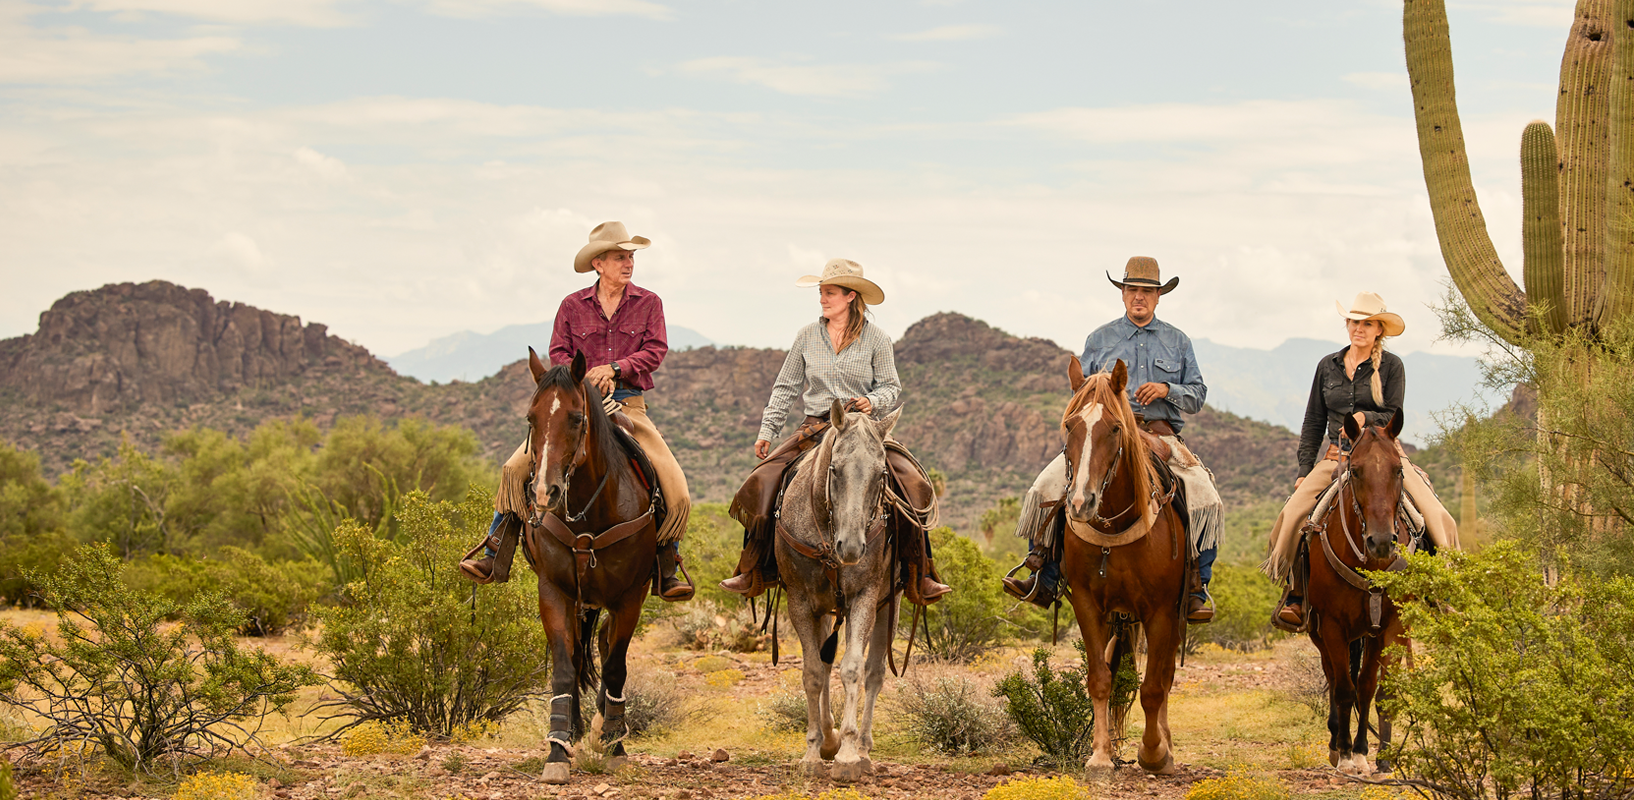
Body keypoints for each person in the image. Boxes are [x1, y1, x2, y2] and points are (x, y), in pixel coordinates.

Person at [458, 221, 695, 601]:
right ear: (598, 263)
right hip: (574, 404)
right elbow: (558, 353)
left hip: (627, 404)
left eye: (631, 256)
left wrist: (615, 369)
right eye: (620, 257)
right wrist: (581, 379)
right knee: (513, 469)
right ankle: (494, 550)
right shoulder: (571, 305)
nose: (629, 263)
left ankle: (667, 563)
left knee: (676, 487)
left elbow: (655, 351)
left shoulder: (649, 302)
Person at [1000, 256, 1225, 622]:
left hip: (1158, 434)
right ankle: (1043, 572)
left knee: (1204, 495)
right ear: (1122, 294)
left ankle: (1198, 584)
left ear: (1158, 297)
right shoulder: (1100, 339)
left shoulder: (1177, 341)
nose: (1140, 297)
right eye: (1133, 290)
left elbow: (1197, 395)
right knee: (1046, 487)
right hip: (1104, 434)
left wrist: (1168, 389)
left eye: (1147, 291)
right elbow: (1081, 393)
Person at [717, 259, 951, 604]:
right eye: (822, 292)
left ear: (850, 296)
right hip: (815, 427)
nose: (822, 299)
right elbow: (786, 387)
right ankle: (754, 567)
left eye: (829, 293)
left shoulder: (877, 339)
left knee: (911, 486)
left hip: (864, 431)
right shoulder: (807, 336)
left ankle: (920, 572)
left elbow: (891, 387)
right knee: (762, 481)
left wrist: (872, 401)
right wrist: (768, 430)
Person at [1265, 291, 1459, 630]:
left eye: (1367, 323)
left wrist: (1359, 417)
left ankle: (1443, 590)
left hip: (1383, 455)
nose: (1359, 329)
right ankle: (1295, 593)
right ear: (1347, 324)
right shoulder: (1328, 366)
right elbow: (1313, 420)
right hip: (1336, 455)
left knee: (1433, 514)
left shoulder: (1392, 366)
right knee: (1293, 515)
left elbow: (1392, 412)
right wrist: (1303, 469)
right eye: (1355, 322)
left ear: (1379, 330)